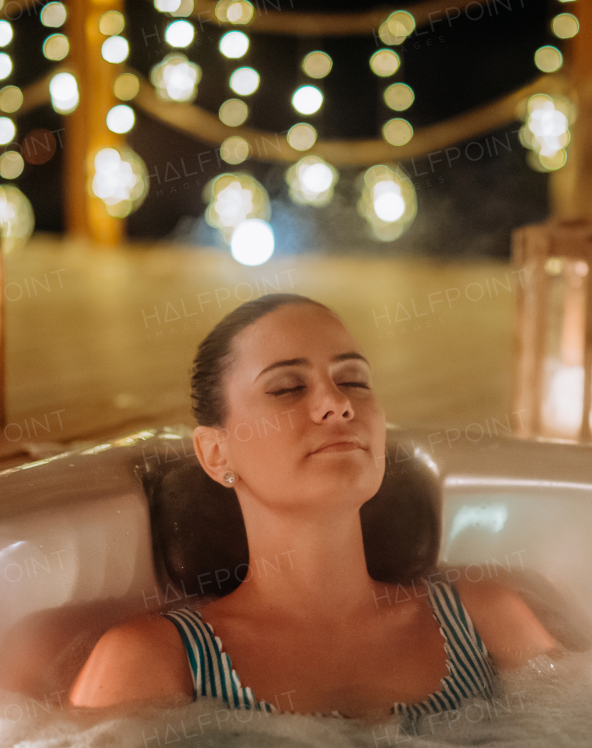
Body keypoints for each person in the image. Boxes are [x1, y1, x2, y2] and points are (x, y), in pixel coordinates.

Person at [69, 294, 558, 720]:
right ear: (217, 454)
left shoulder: (488, 622)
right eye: (287, 388)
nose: (336, 403)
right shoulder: (151, 662)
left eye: (354, 380)